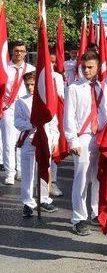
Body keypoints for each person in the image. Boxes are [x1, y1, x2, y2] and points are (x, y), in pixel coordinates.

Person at [64, 50, 107, 236]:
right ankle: (78, 218)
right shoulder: (74, 88)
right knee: (82, 179)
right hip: (83, 137)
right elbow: (69, 116)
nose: (86, 70)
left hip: (101, 137)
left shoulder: (104, 88)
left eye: (90, 67)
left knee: (98, 178)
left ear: (98, 67)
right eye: (83, 67)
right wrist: (72, 140)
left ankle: (95, 212)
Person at [14, 72, 59, 217]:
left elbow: (53, 122)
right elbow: (17, 122)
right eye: (27, 85)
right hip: (29, 139)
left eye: (32, 84)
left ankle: (44, 198)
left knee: (44, 169)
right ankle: (28, 202)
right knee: (28, 172)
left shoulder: (47, 101)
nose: (30, 87)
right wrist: (31, 124)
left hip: (45, 138)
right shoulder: (21, 101)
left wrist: (55, 139)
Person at [1, 40, 35, 184]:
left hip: (25, 108)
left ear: (25, 53)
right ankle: (10, 172)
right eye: (16, 51)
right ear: (11, 52)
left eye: (22, 51)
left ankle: (21, 170)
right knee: (9, 141)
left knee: (23, 139)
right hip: (9, 107)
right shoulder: (4, 68)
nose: (19, 53)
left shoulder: (31, 69)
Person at [49, 51, 65, 197]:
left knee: (54, 148)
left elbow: (61, 98)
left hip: (53, 118)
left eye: (54, 62)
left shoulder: (58, 77)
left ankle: (52, 182)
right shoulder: (37, 75)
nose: (51, 65)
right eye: (49, 61)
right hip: (38, 118)